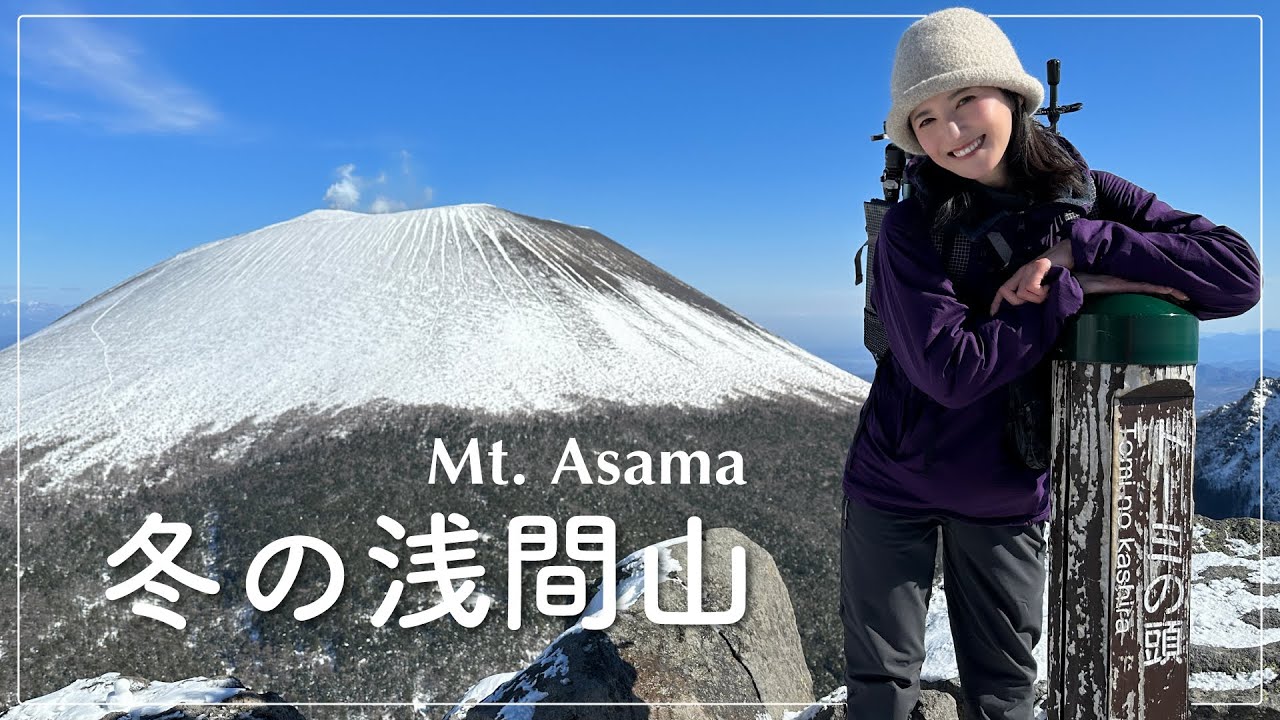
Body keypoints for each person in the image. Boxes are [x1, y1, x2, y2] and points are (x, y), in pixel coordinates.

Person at [840, 8, 1262, 719]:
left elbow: (1237, 275)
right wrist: (1068, 293)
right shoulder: (912, 226)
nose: (949, 132)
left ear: (1011, 95)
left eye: (964, 100)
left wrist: (1082, 249)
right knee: (882, 692)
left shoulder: (1090, 195)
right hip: (894, 483)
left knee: (1004, 694)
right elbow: (950, 370)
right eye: (926, 120)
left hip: (1004, 489)